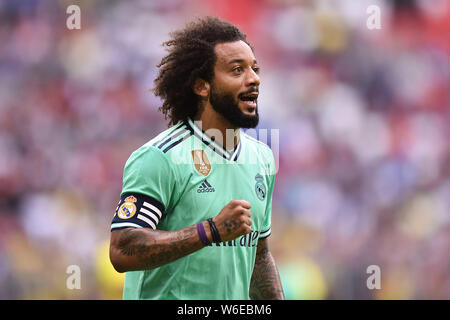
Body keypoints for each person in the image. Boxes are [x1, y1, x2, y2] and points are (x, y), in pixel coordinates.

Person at [109, 16, 285, 300]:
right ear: (202, 86)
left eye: (255, 68)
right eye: (237, 70)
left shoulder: (262, 158)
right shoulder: (161, 157)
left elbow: (260, 256)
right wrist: (210, 230)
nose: (254, 78)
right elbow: (122, 249)